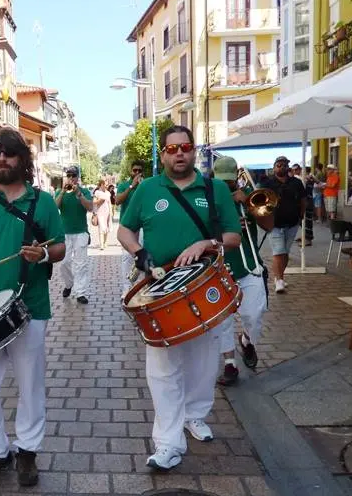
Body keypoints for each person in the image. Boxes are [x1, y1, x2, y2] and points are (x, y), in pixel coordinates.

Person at [117, 125, 242, 471]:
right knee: (163, 366)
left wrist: (207, 243)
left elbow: (233, 236)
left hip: (203, 285)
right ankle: (168, 441)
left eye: (185, 147)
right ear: (163, 154)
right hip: (160, 290)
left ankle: (195, 415)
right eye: (172, 149)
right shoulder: (146, 189)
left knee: (203, 361)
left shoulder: (215, 188)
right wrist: (137, 251)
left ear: (194, 150)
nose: (179, 154)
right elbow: (124, 229)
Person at [0, 128, 65, 487]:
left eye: (9, 153)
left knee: (30, 383)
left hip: (30, 305)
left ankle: (28, 451)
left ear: (23, 159)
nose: (2, 159)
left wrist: (44, 253)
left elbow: (61, 248)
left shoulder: (43, 202)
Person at [211, 157, 267, 386]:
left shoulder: (248, 196)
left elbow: (270, 225)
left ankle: (246, 339)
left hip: (249, 266)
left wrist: (250, 206)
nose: (226, 186)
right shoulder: (209, 198)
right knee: (222, 321)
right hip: (220, 269)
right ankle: (230, 365)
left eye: (230, 182)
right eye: (222, 182)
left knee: (255, 314)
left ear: (236, 178)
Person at [260, 156, 305, 294]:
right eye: (278, 165)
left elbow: (303, 200)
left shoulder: (296, 183)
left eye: (284, 165)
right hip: (274, 224)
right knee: (278, 252)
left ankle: (280, 277)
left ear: (288, 167)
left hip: (292, 223)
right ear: (274, 168)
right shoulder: (267, 183)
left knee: (285, 253)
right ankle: (278, 280)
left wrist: (300, 216)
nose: (281, 167)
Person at [55, 166, 93, 304]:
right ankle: (69, 284)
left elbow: (90, 207)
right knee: (64, 263)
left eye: (74, 175)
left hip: (81, 232)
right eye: (69, 175)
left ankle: (80, 292)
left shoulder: (84, 192)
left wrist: (79, 194)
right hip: (65, 233)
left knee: (81, 264)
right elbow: (55, 208)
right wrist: (63, 192)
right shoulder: (60, 191)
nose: (71, 178)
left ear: (78, 177)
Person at [115, 161, 145, 290]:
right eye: (134, 170)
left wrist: (143, 186)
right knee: (127, 258)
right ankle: (126, 288)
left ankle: (141, 286)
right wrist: (131, 187)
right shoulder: (124, 185)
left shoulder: (146, 185)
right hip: (127, 227)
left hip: (143, 227)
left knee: (144, 256)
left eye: (139, 170)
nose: (137, 173)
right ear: (130, 171)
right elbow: (117, 201)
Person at [93, 180, 112, 250]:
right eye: (105, 185)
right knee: (101, 227)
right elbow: (94, 202)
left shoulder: (108, 193)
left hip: (107, 211)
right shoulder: (97, 192)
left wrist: (111, 212)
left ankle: (105, 242)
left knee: (106, 227)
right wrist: (100, 200)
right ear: (101, 185)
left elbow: (109, 203)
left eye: (107, 185)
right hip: (100, 211)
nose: (106, 186)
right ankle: (101, 245)